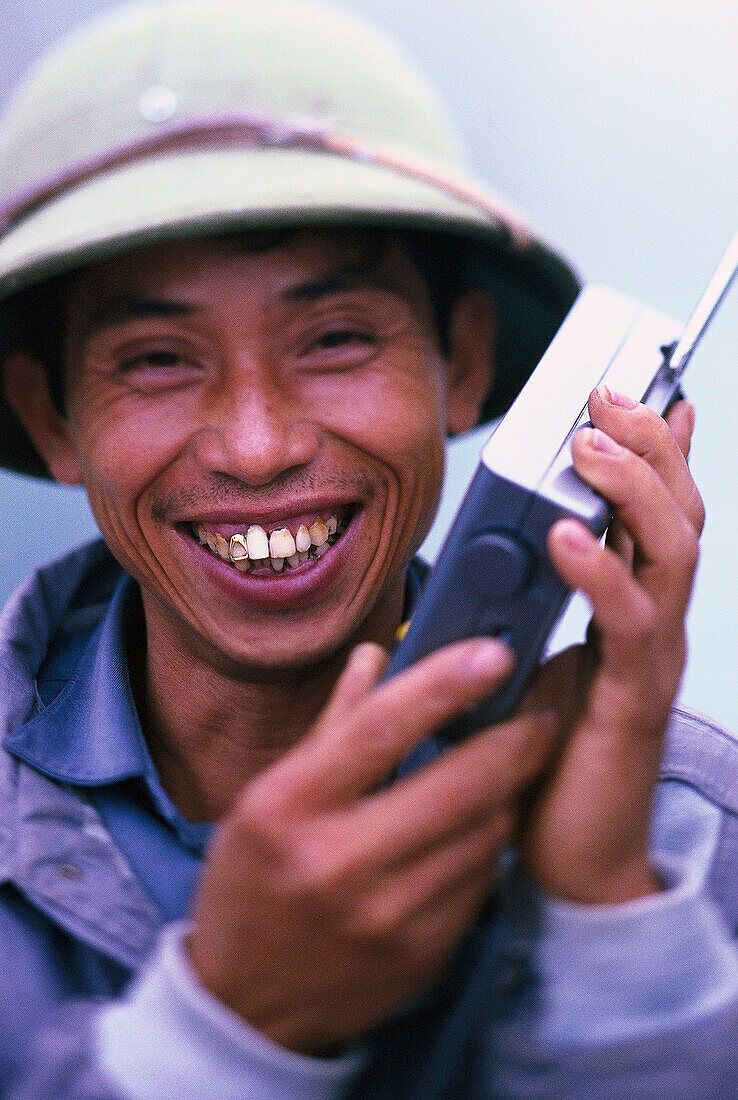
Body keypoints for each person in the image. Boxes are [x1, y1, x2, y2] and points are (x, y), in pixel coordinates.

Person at [0, 1, 736, 1097]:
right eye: (157, 357)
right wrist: (225, 1031)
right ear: (53, 416)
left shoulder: (688, 832)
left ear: (468, 361)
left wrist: (608, 918)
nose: (257, 446)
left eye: (337, 338)